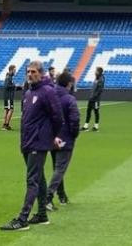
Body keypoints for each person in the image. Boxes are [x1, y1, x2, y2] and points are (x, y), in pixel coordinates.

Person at [0, 62, 65, 232]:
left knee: (32, 180)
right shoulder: (28, 92)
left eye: (33, 72)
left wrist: (54, 136)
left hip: (39, 142)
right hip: (27, 142)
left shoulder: (47, 91)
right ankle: (42, 215)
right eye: (28, 71)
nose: (30, 74)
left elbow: (58, 117)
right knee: (39, 178)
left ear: (41, 74)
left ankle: (23, 219)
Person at [45, 71, 80, 212]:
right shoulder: (69, 99)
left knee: (57, 168)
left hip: (51, 137)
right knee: (60, 168)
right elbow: (74, 120)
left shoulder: (49, 95)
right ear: (69, 83)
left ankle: (62, 195)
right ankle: (47, 197)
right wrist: (74, 134)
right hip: (65, 138)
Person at [82, 66, 104, 132]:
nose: (95, 72)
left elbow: (99, 90)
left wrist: (94, 96)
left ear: (99, 72)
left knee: (96, 111)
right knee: (88, 111)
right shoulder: (96, 78)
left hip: (96, 99)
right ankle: (86, 126)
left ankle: (96, 126)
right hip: (91, 98)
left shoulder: (101, 79)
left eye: (96, 71)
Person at [1, 64, 18, 131]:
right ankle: (6, 125)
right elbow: (7, 86)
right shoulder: (9, 77)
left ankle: (4, 124)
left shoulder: (8, 76)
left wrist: (17, 87)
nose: (15, 71)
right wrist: (14, 86)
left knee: (7, 110)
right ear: (11, 70)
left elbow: (10, 86)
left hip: (7, 96)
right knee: (11, 109)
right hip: (8, 97)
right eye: (14, 70)